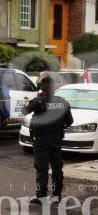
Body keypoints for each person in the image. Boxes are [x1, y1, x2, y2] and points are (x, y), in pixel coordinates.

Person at [22, 76, 74, 205]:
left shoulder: (38, 101)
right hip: (56, 140)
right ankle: (57, 195)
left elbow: (24, 110)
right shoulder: (63, 102)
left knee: (42, 168)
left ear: (42, 88)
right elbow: (70, 121)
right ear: (54, 87)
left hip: (41, 140)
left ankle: (41, 197)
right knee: (57, 168)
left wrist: (38, 98)